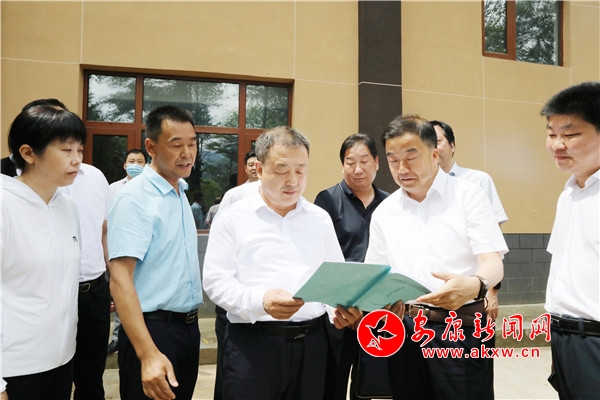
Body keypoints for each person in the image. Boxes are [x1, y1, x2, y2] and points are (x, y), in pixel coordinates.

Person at [203, 126, 362, 399]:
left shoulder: (319, 218)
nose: (292, 181)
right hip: (254, 345)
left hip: (312, 344)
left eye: (300, 171)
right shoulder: (233, 217)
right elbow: (216, 281)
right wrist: (260, 300)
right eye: (281, 170)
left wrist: (338, 309)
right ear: (259, 169)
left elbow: (334, 279)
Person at [365, 114, 507, 399]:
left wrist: (475, 284)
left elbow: (493, 261)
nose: (402, 169)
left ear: (434, 155)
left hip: (461, 327)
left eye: (411, 157)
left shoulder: (468, 195)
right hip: (405, 331)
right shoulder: (385, 212)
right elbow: (376, 273)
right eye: (393, 160)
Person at [107, 105, 203, 400]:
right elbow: (120, 278)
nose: (187, 153)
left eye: (192, 144)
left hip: (188, 329)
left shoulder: (179, 191)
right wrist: (147, 354)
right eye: (176, 145)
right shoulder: (135, 197)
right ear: (151, 147)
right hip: (153, 331)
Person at [1, 99, 86, 400]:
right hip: (14, 368)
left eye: (79, 150)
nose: (77, 160)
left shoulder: (68, 206)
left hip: (61, 361)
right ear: (28, 153)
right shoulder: (4, 203)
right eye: (66, 150)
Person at [314, 133, 389, 400]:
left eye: (364, 161)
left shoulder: (390, 203)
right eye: (350, 162)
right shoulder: (327, 200)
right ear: (342, 165)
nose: (358, 169)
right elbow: (320, 256)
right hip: (339, 310)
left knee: (370, 386)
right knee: (332, 382)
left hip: (377, 310)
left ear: (377, 162)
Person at [541, 81, 600, 399]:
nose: (557, 145)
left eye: (571, 134)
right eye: (552, 134)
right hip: (565, 338)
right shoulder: (568, 195)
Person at [430, 119, 508, 321]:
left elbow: (493, 240)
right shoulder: (420, 189)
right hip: (431, 300)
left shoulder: (478, 181)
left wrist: (491, 291)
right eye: (427, 143)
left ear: (452, 145)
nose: (433, 148)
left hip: (472, 297)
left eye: (437, 141)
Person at [59, 162, 112, 400]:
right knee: (54, 375)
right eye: (66, 148)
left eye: (79, 149)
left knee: (91, 376)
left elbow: (104, 230)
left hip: (95, 290)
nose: (74, 156)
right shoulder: (20, 179)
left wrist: (114, 279)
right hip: (55, 294)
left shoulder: (95, 176)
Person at [107, 148, 147, 355]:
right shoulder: (113, 189)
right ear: (125, 165)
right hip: (119, 247)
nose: (135, 165)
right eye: (132, 161)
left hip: (142, 250)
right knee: (120, 293)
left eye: (140, 162)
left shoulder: (150, 189)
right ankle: (118, 337)